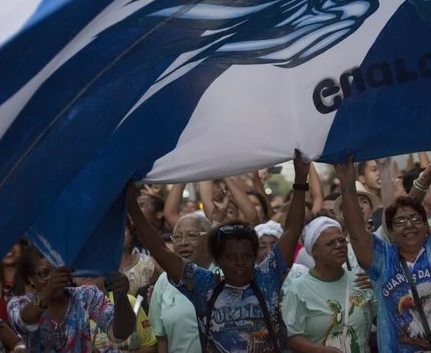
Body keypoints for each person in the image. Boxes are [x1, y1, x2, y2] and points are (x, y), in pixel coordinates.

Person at [128, 150, 310, 352]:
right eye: (231, 257)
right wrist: (132, 207)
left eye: (247, 256)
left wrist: (300, 180)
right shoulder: (203, 285)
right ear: (219, 260)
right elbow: (160, 250)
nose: (240, 262)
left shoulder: (268, 276)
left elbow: (292, 230)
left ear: (254, 257)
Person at [338, 137, 431, 352]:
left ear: (425, 224)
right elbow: (355, 230)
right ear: (391, 231)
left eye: (415, 218)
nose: (409, 224)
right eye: (400, 221)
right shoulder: (381, 258)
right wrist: (346, 181)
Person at [8, 245, 137, 351]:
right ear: (30, 279)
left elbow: (121, 333)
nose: (54, 278)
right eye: (44, 273)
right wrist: (49, 290)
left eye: (57, 270)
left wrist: (121, 297)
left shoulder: (85, 296)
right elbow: (24, 319)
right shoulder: (19, 304)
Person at [283, 217, 375, 352]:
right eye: (330, 243)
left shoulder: (360, 281)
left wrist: (379, 288)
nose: (339, 246)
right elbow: (289, 336)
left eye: (341, 240)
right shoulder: (298, 289)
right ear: (314, 251)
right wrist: (319, 350)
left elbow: (384, 320)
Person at [148, 213, 215, 353]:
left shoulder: (222, 275)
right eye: (177, 237)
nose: (183, 242)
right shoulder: (164, 280)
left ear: (209, 239)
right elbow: (161, 339)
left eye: (192, 235)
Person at [120, 227, 157, 296]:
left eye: (122, 229)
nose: (119, 234)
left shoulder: (146, 262)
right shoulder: (102, 267)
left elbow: (154, 293)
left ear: (131, 236)